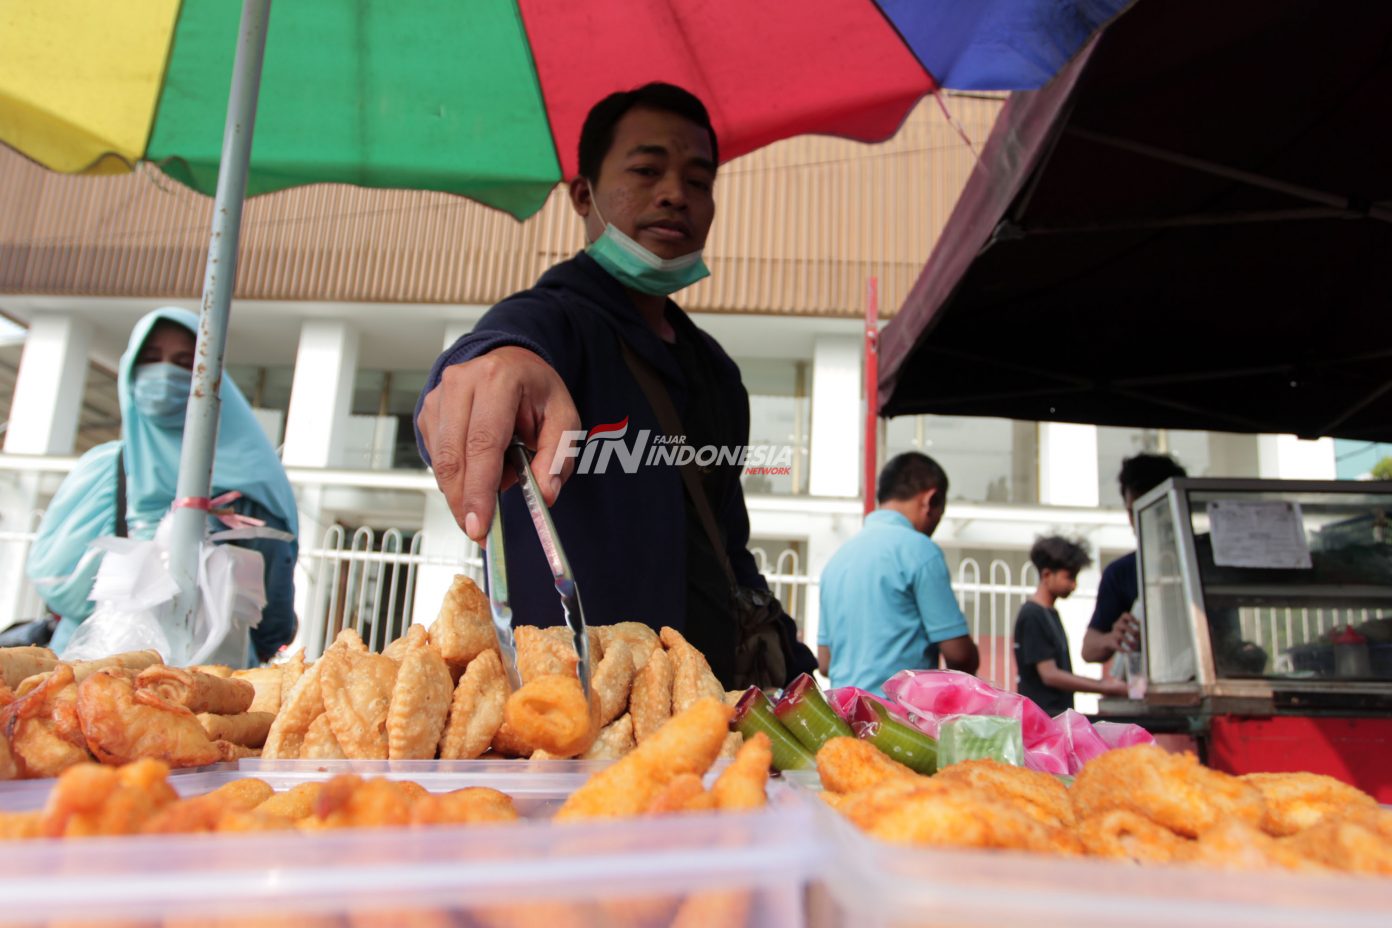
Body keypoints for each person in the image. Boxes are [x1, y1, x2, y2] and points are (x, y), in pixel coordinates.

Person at [414, 83, 815, 688]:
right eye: (647, 169)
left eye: (699, 180)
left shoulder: (717, 373)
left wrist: (794, 662)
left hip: (709, 712)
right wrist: (487, 369)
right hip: (571, 718)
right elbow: (500, 354)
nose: (676, 194)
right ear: (583, 194)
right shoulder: (556, 319)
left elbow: (728, 549)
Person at [26, 307, 300, 665]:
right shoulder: (105, 469)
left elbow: (271, 607)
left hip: (207, 692)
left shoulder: (254, 482)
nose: (165, 373)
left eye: (185, 361)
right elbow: (58, 583)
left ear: (213, 375)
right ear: (131, 373)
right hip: (96, 680)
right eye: (152, 359)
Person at [817, 452, 980, 695]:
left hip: (841, 720)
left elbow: (826, 663)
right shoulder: (920, 551)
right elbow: (959, 655)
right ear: (930, 500)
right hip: (897, 723)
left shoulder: (837, 561)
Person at [1081, 453, 1188, 664]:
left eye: (1153, 511)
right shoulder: (1121, 572)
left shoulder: (1203, 562)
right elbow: (1089, 649)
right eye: (1133, 513)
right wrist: (1112, 637)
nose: (1138, 523)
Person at [1014, 536, 1128, 715]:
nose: (1073, 584)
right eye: (1069, 577)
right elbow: (1049, 674)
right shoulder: (1032, 615)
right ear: (1046, 575)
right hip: (1042, 720)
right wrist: (1104, 686)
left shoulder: (1050, 613)